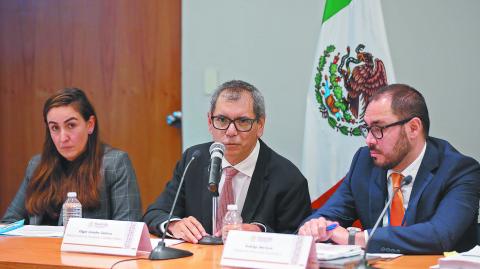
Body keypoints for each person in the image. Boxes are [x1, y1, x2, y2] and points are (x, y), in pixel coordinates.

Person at [299, 84, 480, 254]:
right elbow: (329, 214)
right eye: (367, 129)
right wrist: (315, 226)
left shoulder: (459, 171)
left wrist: (356, 238)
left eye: (378, 128)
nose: (369, 140)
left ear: (413, 128)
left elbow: (440, 235)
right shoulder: (364, 162)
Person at [143, 80, 311, 243]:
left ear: (260, 125)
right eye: (222, 120)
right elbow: (155, 213)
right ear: (210, 122)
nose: (230, 132)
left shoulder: (289, 179)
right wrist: (173, 224)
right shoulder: (194, 159)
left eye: (243, 121)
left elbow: (299, 240)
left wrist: (262, 233)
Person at [2, 88, 142, 225]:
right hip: (37, 248)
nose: (63, 138)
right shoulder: (37, 165)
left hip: (86, 248)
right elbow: (9, 222)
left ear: (90, 125)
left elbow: (128, 229)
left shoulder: (114, 163)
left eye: (71, 125)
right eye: (55, 128)